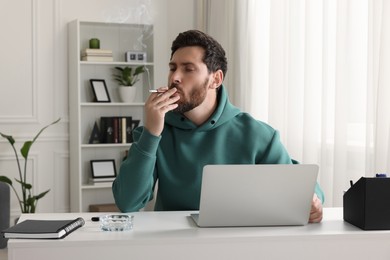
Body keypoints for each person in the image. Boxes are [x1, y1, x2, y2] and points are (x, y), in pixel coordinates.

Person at [112, 30, 324, 223]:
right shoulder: (155, 131)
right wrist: (151, 133)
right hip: (174, 246)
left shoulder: (256, 134)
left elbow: (298, 181)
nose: (175, 77)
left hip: (238, 244)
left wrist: (313, 201)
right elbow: (128, 203)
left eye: (188, 69)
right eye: (172, 68)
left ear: (216, 79)